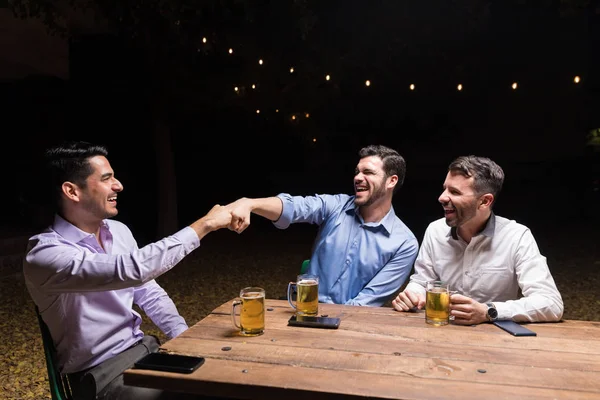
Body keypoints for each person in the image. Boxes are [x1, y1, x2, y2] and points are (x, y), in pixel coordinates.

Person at [23, 141, 233, 400]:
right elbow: (132, 270)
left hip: (147, 351)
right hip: (101, 373)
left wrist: (183, 338)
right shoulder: (45, 255)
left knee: (224, 381)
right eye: (106, 178)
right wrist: (206, 224)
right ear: (72, 191)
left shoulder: (118, 231)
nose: (118, 185)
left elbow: (147, 291)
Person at [226, 144, 419, 306]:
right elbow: (295, 207)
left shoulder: (404, 243)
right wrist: (251, 203)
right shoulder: (335, 206)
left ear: (391, 181)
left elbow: (366, 302)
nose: (358, 178)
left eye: (368, 172)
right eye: (357, 172)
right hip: (305, 310)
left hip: (352, 326)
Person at [392, 155, 564, 325]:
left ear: (484, 201)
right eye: (445, 189)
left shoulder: (516, 236)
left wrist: (488, 311)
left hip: (495, 339)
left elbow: (551, 303)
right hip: (441, 330)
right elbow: (422, 282)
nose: (442, 197)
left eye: (454, 192)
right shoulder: (435, 231)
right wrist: (412, 295)